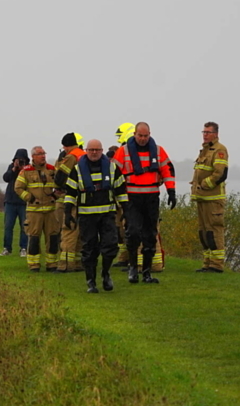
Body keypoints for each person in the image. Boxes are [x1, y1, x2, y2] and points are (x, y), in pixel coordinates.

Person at [112, 122, 176, 284]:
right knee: (132, 233)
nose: (142, 139)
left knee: (150, 235)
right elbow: (113, 173)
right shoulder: (123, 151)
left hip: (151, 198)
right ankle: (133, 268)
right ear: (134, 134)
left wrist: (171, 191)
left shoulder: (158, 151)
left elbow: (167, 171)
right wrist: (114, 195)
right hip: (131, 199)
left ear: (150, 134)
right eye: (140, 136)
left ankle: (146, 272)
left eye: (145, 136)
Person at [64, 139, 128, 293]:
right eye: (91, 150)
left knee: (111, 247)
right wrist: (67, 213)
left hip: (107, 215)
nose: (94, 153)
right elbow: (71, 193)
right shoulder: (77, 170)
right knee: (89, 250)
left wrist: (126, 211)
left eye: (97, 150)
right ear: (86, 150)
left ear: (101, 151)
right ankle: (91, 281)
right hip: (87, 217)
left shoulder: (112, 168)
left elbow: (121, 192)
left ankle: (106, 274)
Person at [191, 121, 229, 273]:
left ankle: (216, 265)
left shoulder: (220, 150)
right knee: (204, 232)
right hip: (201, 198)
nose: (205, 135)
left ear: (216, 134)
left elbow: (220, 174)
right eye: (204, 132)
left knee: (214, 231)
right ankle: (207, 263)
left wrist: (205, 184)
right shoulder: (204, 150)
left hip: (213, 199)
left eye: (208, 132)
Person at [15, 146, 60, 272]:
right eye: (40, 154)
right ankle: (34, 265)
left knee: (53, 238)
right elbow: (18, 188)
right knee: (34, 238)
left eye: (44, 153)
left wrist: (56, 195)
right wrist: (29, 198)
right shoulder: (26, 171)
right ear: (33, 156)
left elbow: (61, 185)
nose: (43, 156)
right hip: (34, 212)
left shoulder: (51, 169)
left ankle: (52, 264)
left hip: (50, 211)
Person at [53, 132, 85, 272]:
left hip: (71, 198)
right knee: (78, 232)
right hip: (83, 199)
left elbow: (60, 176)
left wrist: (58, 186)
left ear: (66, 146)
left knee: (68, 230)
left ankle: (65, 265)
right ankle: (77, 263)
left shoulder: (71, 156)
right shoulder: (83, 155)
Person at [0, 148, 30, 257]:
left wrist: (23, 169)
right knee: (8, 226)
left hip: (23, 202)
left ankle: (23, 248)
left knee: (25, 226)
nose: (20, 161)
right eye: (18, 159)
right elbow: (6, 178)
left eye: (22, 160)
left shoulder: (29, 169)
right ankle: (7, 248)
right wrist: (14, 169)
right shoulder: (11, 167)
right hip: (10, 201)